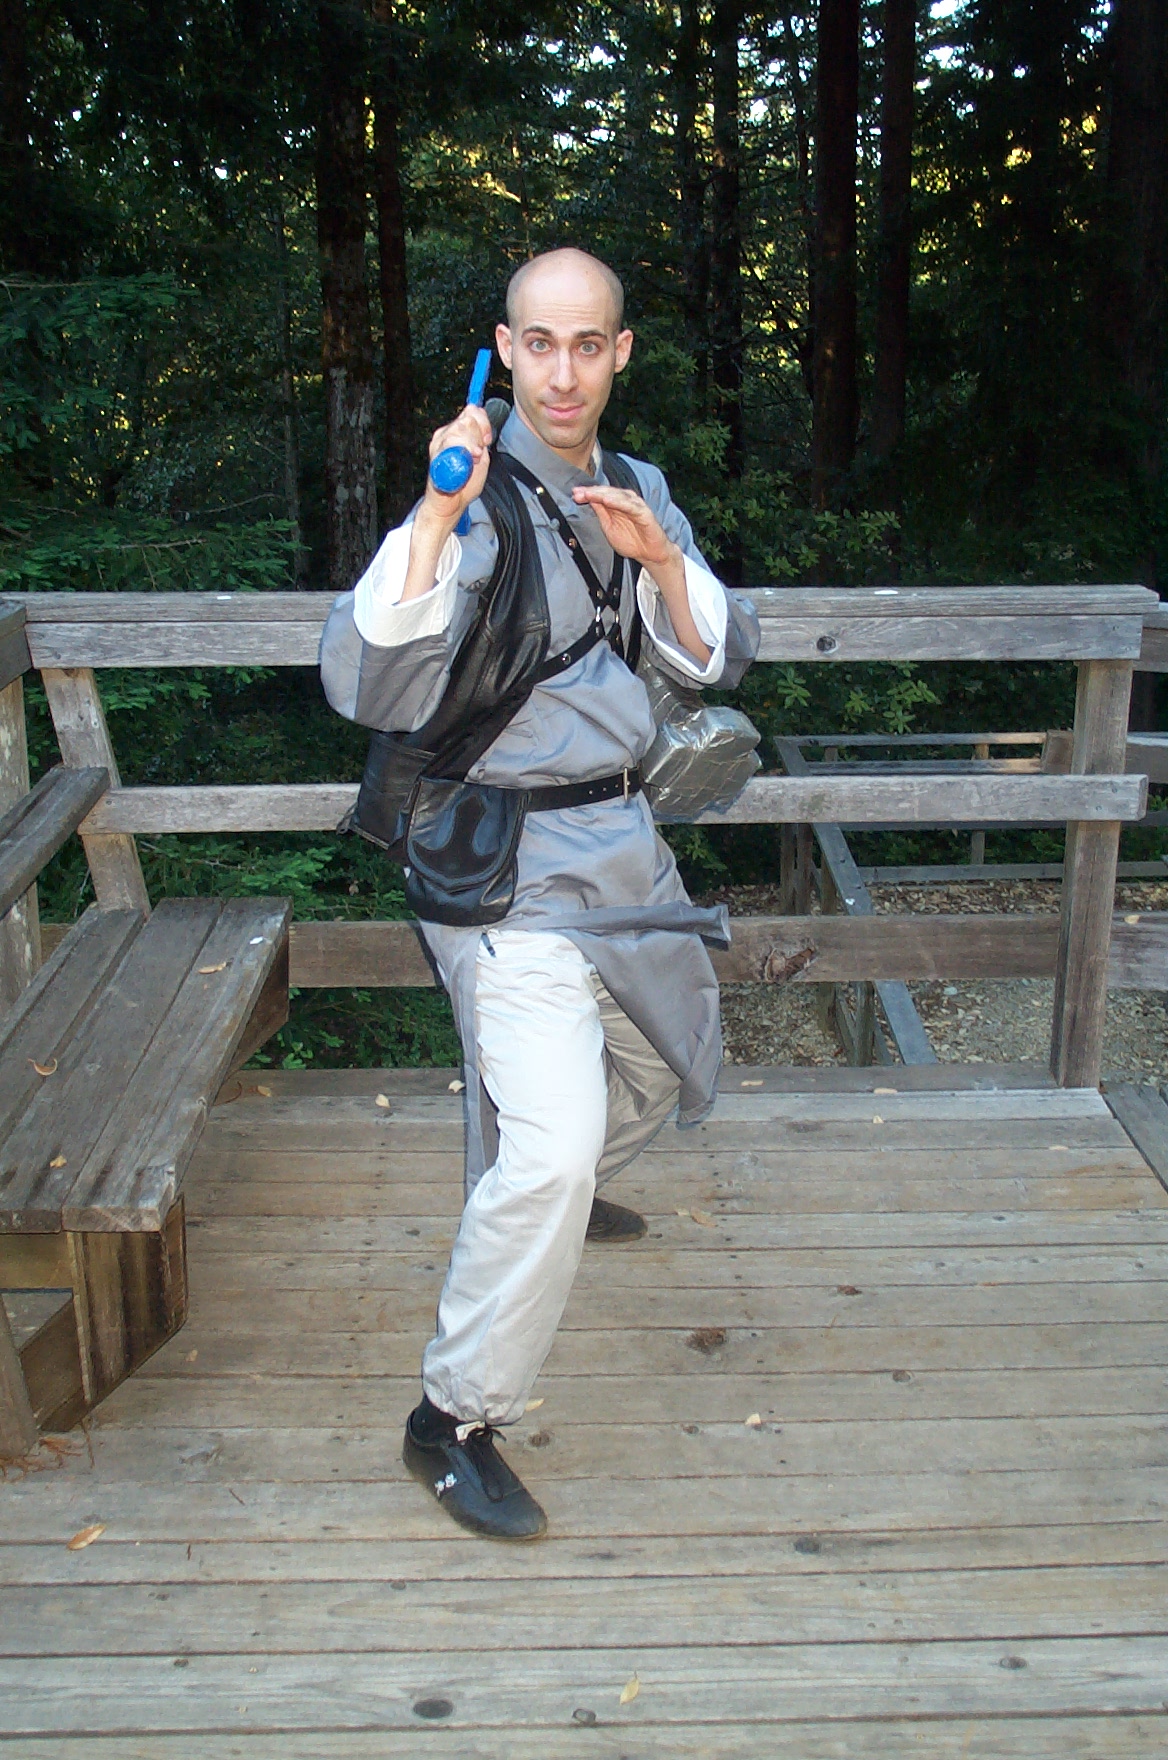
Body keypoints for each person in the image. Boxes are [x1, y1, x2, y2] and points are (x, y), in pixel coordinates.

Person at [320, 247, 759, 1540]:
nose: (563, 374)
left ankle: (543, 1209)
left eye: (588, 344)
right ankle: (452, 1417)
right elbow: (363, 677)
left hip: (622, 845)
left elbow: (717, 654)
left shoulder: (639, 487)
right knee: (555, 1142)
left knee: (669, 1063)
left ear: (620, 354)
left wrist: (661, 562)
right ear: (505, 350)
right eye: (540, 345)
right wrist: (433, 516)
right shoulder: (474, 496)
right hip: (503, 866)